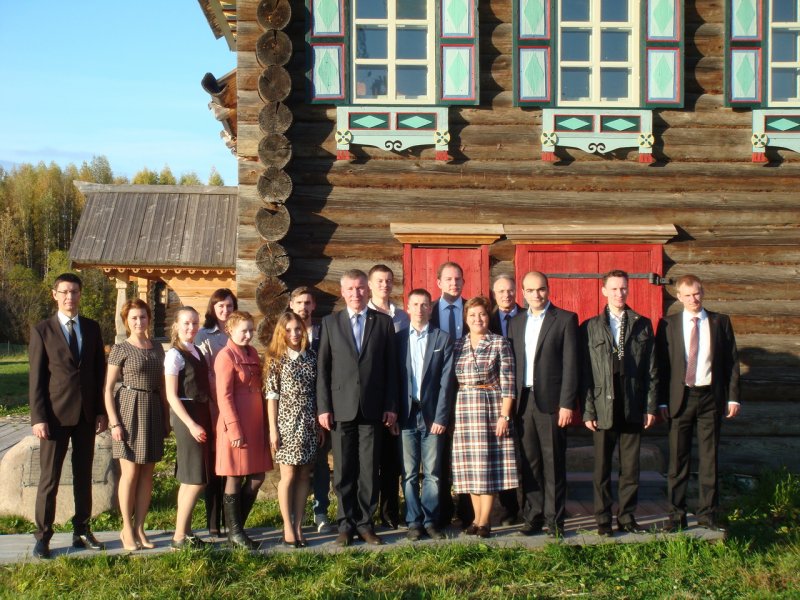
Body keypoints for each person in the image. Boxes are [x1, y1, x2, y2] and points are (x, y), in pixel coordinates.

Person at [317, 269, 398, 547]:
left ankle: (365, 524)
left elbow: (391, 368)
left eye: (361, 288)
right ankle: (345, 524)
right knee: (343, 471)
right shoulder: (331, 323)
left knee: (369, 470)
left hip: (373, 408)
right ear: (342, 292)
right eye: (350, 289)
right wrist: (324, 407)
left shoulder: (383, 322)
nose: (356, 293)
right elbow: (323, 368)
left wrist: (391, 405)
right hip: (341, 409)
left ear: (368, 290)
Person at [29, 273, 107, 559]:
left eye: (74, 292)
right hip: (54, 417)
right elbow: (36, 379)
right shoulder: (42, 331)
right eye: (64, 292)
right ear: (55, 295)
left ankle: (82, 530)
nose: (69, 297)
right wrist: (38, 417)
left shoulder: (92, 328)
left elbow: (99, 373)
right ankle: (43, 536)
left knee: (83, 476)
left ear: (80, 294)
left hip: (86, 416)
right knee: (49, 479)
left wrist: (100, 411)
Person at [656, 274, 740, 532]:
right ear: (679, 297)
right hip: (680, 399)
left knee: (709, 459)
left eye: (697, 293)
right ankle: (676, 517)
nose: (693, 299)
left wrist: (733, 396)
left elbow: (731, 362)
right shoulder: (668, 324)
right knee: (677, 461)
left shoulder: (720, 322)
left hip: (710, 398)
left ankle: (707, 515)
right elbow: (661, 366)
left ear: (702, 293)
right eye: (688, 295)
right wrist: (661, 402)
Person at [581, 270, 658, 536]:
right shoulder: (590, 326)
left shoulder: (642, 324)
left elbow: (652, 369)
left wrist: (649, 406)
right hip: (603, 403)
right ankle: (603, 519)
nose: (619, 293)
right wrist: (588, 410)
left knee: (630, 467)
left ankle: (627, 517)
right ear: (604, 291)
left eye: (623, 288)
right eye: (613, 289)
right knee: (602, 467)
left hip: (632, 401)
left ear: (628, 289)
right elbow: (586, 373)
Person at [507, 271, 579, 538]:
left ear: (548, 290)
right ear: (523, 293)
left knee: (553, 464)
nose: (536, 295)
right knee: (530, 463)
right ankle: (533, 517)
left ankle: (555, 521)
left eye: (540, 289)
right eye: (530, 290)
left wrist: (567, 403)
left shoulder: (565, 319)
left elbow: (571, 365)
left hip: (552, 403)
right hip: (524, 402)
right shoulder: (516, 322)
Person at [104, 298, 168, 551]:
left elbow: (163, 386)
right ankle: (126, 528)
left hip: (152, 408)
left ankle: (140, 527)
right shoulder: (120, 348)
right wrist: (114, 423)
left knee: (147, 474)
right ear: (126, 321)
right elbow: (108, 389)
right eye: (134, 318)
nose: (139, 322)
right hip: (129, 409)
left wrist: (166, 418)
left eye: (142, 317)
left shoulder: (158, 348)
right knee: (130, 473)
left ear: (149, 319)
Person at [451, 297, 517, 538]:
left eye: (482, 314)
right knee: (470, 467)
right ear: (466, 319)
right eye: (472, 315)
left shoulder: (499, 343)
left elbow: (509, 383)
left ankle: (485, 521)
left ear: (488, 317)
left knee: (486, 466)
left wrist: (504, 416)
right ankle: (476, 518)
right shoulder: (458, 344)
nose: (477, 319)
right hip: (464, 409)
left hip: (490, 407)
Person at [397, 289, 455, 541]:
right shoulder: (398, 339)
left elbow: (446, 382)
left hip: (432, 416)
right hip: (406, 415)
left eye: (424, 305)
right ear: (408, 307)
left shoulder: (442, 338)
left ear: (431, 309)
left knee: (433, 472)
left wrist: (442, 417)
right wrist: (394, 413)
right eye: (415, 304)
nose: (420, 309)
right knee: (409, 473)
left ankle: (431, 521)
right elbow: (394, 379)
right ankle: (413, 521)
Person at [215, 310, 272, 549]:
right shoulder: (225, 356)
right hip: (236, 424)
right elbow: (224, 396)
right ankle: (236, 533)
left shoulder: (253, 353)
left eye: (251, 330)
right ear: (230, 330)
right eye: (244, 331)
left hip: (255, 423)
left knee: (258, 476)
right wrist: (234, 429)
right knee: (235, 475)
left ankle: (236, 527)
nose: (248, 335)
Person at [265, 311, 321, 548]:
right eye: (288, 330)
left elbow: (318, 392)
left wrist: (318, 424)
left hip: (308, 422)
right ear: (281, 333)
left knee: (304, 476)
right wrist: (273, 430)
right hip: (286, 423)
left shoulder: (312, 357)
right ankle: (287, 527)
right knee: (288, 476)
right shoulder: (276, 359)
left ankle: (298, 525)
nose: (294, 334)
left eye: (298, 329)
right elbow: (272, 396)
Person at [164, 306, 214, 550]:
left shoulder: (197, 350)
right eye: (186, 323)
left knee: (190, 479)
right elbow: (171, 396)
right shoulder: (174, 355)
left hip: (201, 413)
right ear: (176, 325)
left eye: (195, 323)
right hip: (188, 417)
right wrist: (192, 424)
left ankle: (184, 532)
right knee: (196, 479)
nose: (191, 327)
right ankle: (178, 537)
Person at [429, 261, 472, 527]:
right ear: (439, 283)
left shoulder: (474, 310)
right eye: (448, 279)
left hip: (469, 390)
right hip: (438, 392)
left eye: (458, 279)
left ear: (463, 282)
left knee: (468, 451)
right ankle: (443, 511)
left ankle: (468, 512)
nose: (454, 283)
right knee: (440, 453)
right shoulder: (429, 311)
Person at [368, 264, 409, 529]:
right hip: (370, 398)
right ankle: (366, 514)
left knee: (392, 462)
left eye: (389, 281)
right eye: (380, 281)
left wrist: (395, 403)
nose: (385, 285)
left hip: (395, 396)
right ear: (370, 284)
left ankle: (390, 513)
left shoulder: (402, 317)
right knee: (369, 462)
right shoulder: (364, 315)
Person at [289, 286, 332, 534]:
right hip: (293, 412)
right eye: (299, 302)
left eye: (307, 303)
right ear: (291, 305)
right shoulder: (285, 335)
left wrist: (322, 409)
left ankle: (320, 511)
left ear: (314, 306)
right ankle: (295, 513)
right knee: (294, 464)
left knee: (321, 463)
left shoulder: (323, 332)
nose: (303, 307)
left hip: (321, 408)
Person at [195, 288, 237, 537]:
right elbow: (204, 371)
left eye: (229, 306)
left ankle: (232, 520)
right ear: (213, 308)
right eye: (221, 306)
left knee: (231, 463)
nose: (225, 310)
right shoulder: (204, 335)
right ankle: (213, 521)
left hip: (235, 404)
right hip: (213, 405)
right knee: (213, 463)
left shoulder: (237, 332)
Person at [489, 273, 523, 525]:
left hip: (526, 394)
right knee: (503, 454)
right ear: (494, 294)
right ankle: (509, 509)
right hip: (496, 398)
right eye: (501, 291)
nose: (506, 295)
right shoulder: (486, 319)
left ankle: (533, 507)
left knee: (528, 453)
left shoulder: (528, 316)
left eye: (510, 290)